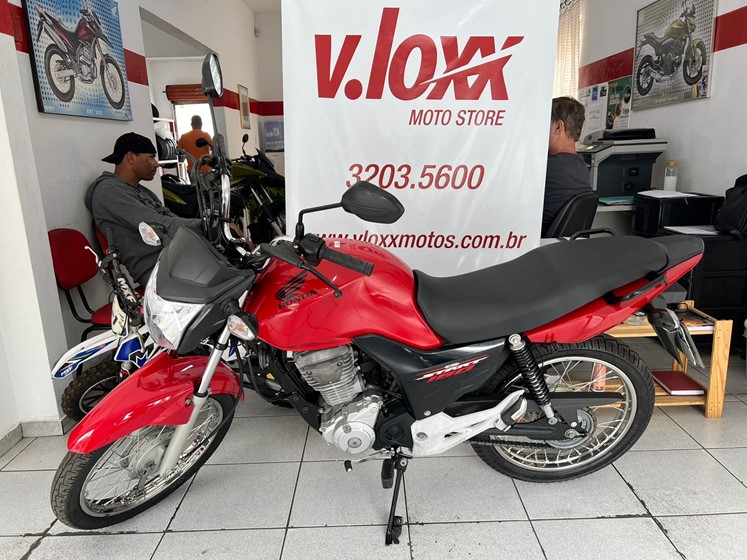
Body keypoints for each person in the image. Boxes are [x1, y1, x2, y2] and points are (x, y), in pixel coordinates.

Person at [85, 132, 248, 287]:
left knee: (246, 264)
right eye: (151, 157)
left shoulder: (140, 190)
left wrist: (214, 227)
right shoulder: (109, 191)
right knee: (240, 281)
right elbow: (160, 224)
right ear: (131, 158)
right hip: (160, 270)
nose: (156, 163)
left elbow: (169, 216)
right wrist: (211, 226)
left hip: (177, 257)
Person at [542, 96, 592, 236]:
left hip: (537, 244)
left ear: (558, 127)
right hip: (566, 245)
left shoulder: (547, 169)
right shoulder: (581, 167)